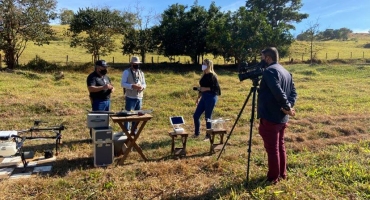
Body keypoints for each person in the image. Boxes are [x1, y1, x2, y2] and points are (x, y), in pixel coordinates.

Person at [257, 47, 297, 184]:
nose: (261, 61)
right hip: (281, 117)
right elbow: (293, 93)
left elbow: (278, 92)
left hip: (271, 116)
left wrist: (287, 107)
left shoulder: (269, 71)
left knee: (273, 148)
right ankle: (282, 174)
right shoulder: (286, 71)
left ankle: (273, 178)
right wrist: (288, 107)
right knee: (280, 145)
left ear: (268, 58)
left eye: (262, 58)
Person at [192, 59, 221, 140]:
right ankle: (196, 133)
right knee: (196, 116)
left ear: (209, 66)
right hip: (204, 97)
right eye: (203, 64)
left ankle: (208, 135)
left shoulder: (213, 76)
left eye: (204, 64)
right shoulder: (203, 75)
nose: (203, 65)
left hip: (211, 97)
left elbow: (216, 89)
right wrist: (198, 97)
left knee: (207, 117)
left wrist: (205, 89)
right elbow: (201, 88)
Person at [87, 60, 115, 137]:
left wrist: (112, 88)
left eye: (106, 67)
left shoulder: (106, 77)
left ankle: (103, 136)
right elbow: (91, 88)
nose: (106, 69)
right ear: (98, 68)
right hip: (98, 101)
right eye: (104, 67)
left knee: (105, 120)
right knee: (97, 119)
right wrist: (103, 87)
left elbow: (111, 85)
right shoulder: (92, 77)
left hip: (107, 100)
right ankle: (94, 137)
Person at [121, 56, 146, 132]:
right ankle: (126, 131)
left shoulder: (141, 73)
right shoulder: (126, 72)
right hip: (130, 97)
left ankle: (134, 130)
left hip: (139, 97)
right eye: (135, 63)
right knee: (128, 115)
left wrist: (142, 87)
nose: (137, 65)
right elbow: (122, 84)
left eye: (138, 64)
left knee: (137, 115)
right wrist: (132, 86)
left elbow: (144, 83)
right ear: (131, 64)